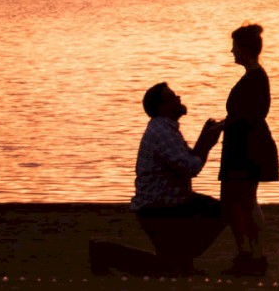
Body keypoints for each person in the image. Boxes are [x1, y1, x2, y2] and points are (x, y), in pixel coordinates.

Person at [92, 82, 227, 275]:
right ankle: (105, 252)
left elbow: (186, 161)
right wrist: (206, 145)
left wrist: (204, 139)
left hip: (169, 203)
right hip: (159, 209)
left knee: (218, 211)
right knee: (168, 267)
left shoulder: (165, 128)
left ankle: (181, 258)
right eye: (172, 97)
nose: (179, 98)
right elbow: (190, 168)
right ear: (162, 107)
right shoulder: (162, 131)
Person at [209, 23, 279, 276]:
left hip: (247, 148)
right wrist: (223, 124)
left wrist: (224, 125)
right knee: (241, 201)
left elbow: (250, 115)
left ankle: (252, 254)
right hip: (244, 146)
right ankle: (251, 254)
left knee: (240, 201)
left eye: (235, 47)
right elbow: (244, 114)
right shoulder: (254, 77)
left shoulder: (255, 78)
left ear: (244, 50)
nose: (231, 52)